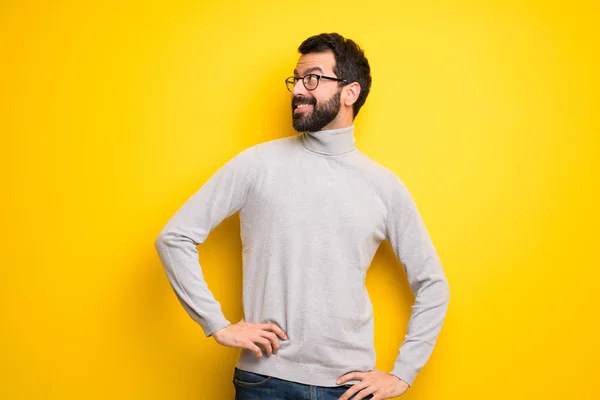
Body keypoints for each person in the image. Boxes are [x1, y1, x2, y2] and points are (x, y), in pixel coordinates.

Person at [154, 32, 450, 400]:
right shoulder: (257, 164)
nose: (297, 90)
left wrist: (403, 374)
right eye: (296, 79)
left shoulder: (384, 186)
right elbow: (175, 237)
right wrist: (216, 324)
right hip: (265, 382)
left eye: (312, 78)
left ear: (349, 92)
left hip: (349, 388)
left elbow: (433, 284)